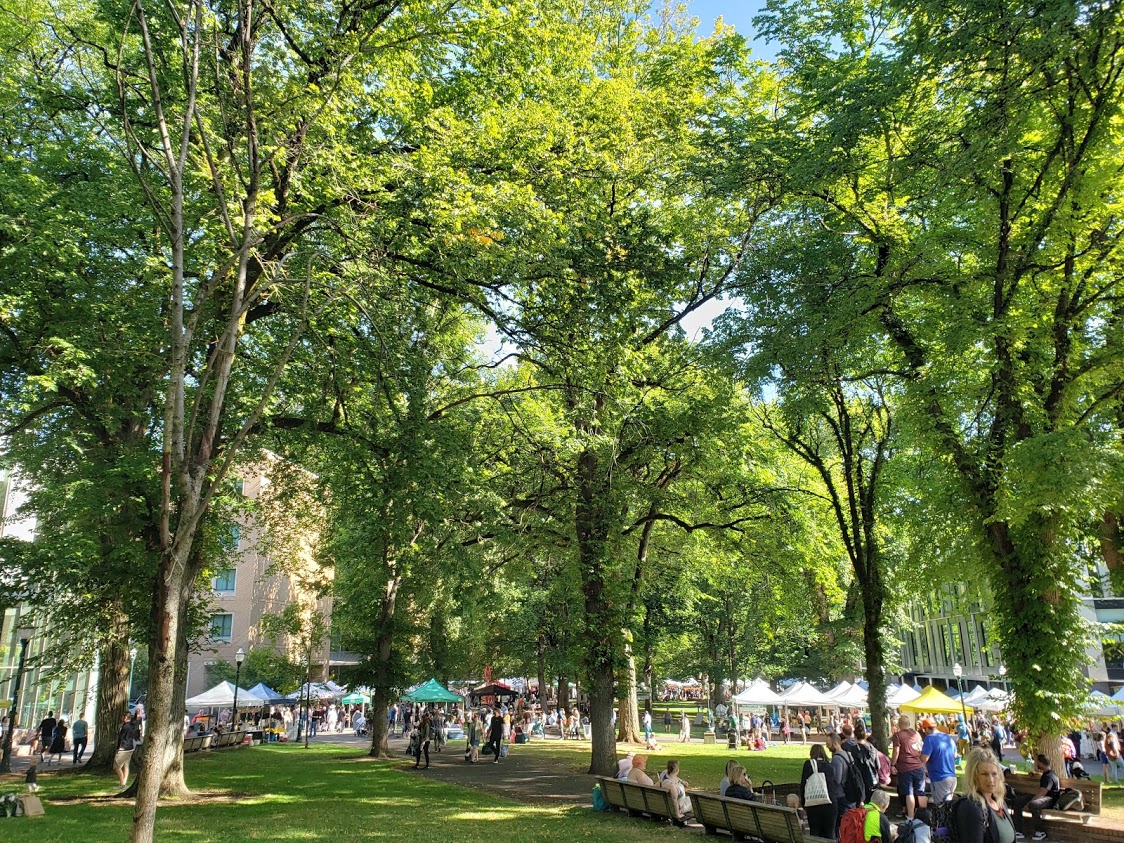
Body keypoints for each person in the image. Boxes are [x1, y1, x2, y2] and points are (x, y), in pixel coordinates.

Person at [955, 748, 1016, 843]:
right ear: (974, 776)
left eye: (994, 774)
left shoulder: (999, 802)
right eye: (984, 774)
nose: (991, 780)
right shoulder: (971, 807)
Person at [1013, 753, 1059, 841]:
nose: (1035, 763)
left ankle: (1040, 832)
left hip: (1050, 800)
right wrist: (1035, 773)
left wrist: (1028, 804)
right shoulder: (1046, 773)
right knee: (1018, 801)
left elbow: (1042, 793)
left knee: (1033, 805)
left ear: (1041, 763)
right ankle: (1018, 831)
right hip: (1043, 797)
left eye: (1036, 762)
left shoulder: (1049, 777)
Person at [800, 743, 840, 839]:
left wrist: (804, 803)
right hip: (830, 803)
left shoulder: (808, 765)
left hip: (814, 802)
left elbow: (803, 785)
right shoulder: (829, 767)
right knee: (830, 832)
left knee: (815, 832)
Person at [891, 714, 927, 820]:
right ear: (909, 724)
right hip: (918, 766)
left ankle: (910, 817)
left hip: (905, 767)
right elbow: (921, 748)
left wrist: (893, 764)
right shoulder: (916, 734)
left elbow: (896, 751)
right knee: (920, 792)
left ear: (899, 725)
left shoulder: (897, 735)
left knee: (909, 793)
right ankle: (924, 815)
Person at [920, 717, 958, 803]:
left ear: (926, 728)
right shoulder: (947, 737)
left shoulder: (929, 738)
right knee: (948, 806)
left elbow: (924, 759)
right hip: (952, 777)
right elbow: (955, 755)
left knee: (942, 808)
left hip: (940, 778)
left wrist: (918, 753)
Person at [114, 713, 140, 787]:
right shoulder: (132, 725)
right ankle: (124, 782)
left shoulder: (125, 727)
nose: (121, 718)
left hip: (124, 748)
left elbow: (121, 738)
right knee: (126, 765)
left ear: (125, 717)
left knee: (116, 767)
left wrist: (118, 748)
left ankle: (122, 783)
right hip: (130, 747)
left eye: (122, 716)